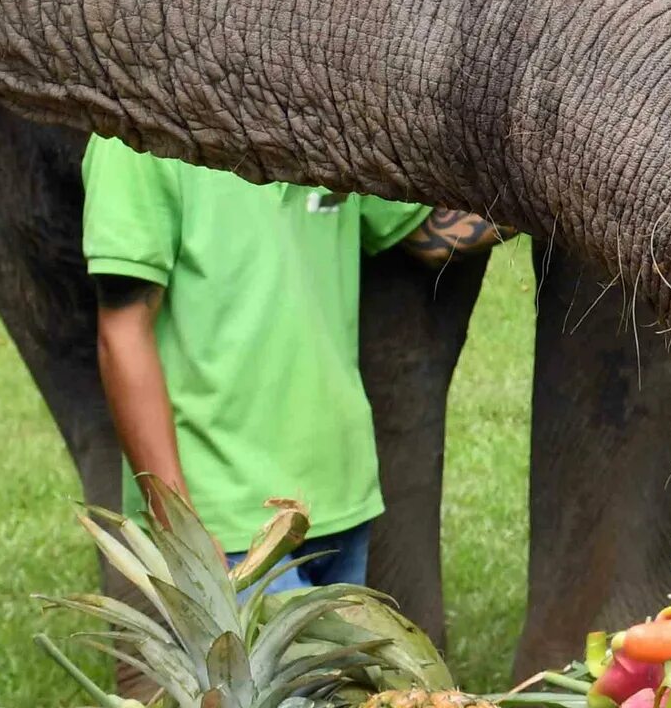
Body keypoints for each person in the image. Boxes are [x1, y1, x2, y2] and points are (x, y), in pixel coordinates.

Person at [84, 143, 506, 586]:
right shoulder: (135, 138)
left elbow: (431, 235)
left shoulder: (322, 117)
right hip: (229, 526)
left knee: (336, 660)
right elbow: (122, 335)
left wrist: (556, 182)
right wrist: (179, 526)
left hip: (341, 506)